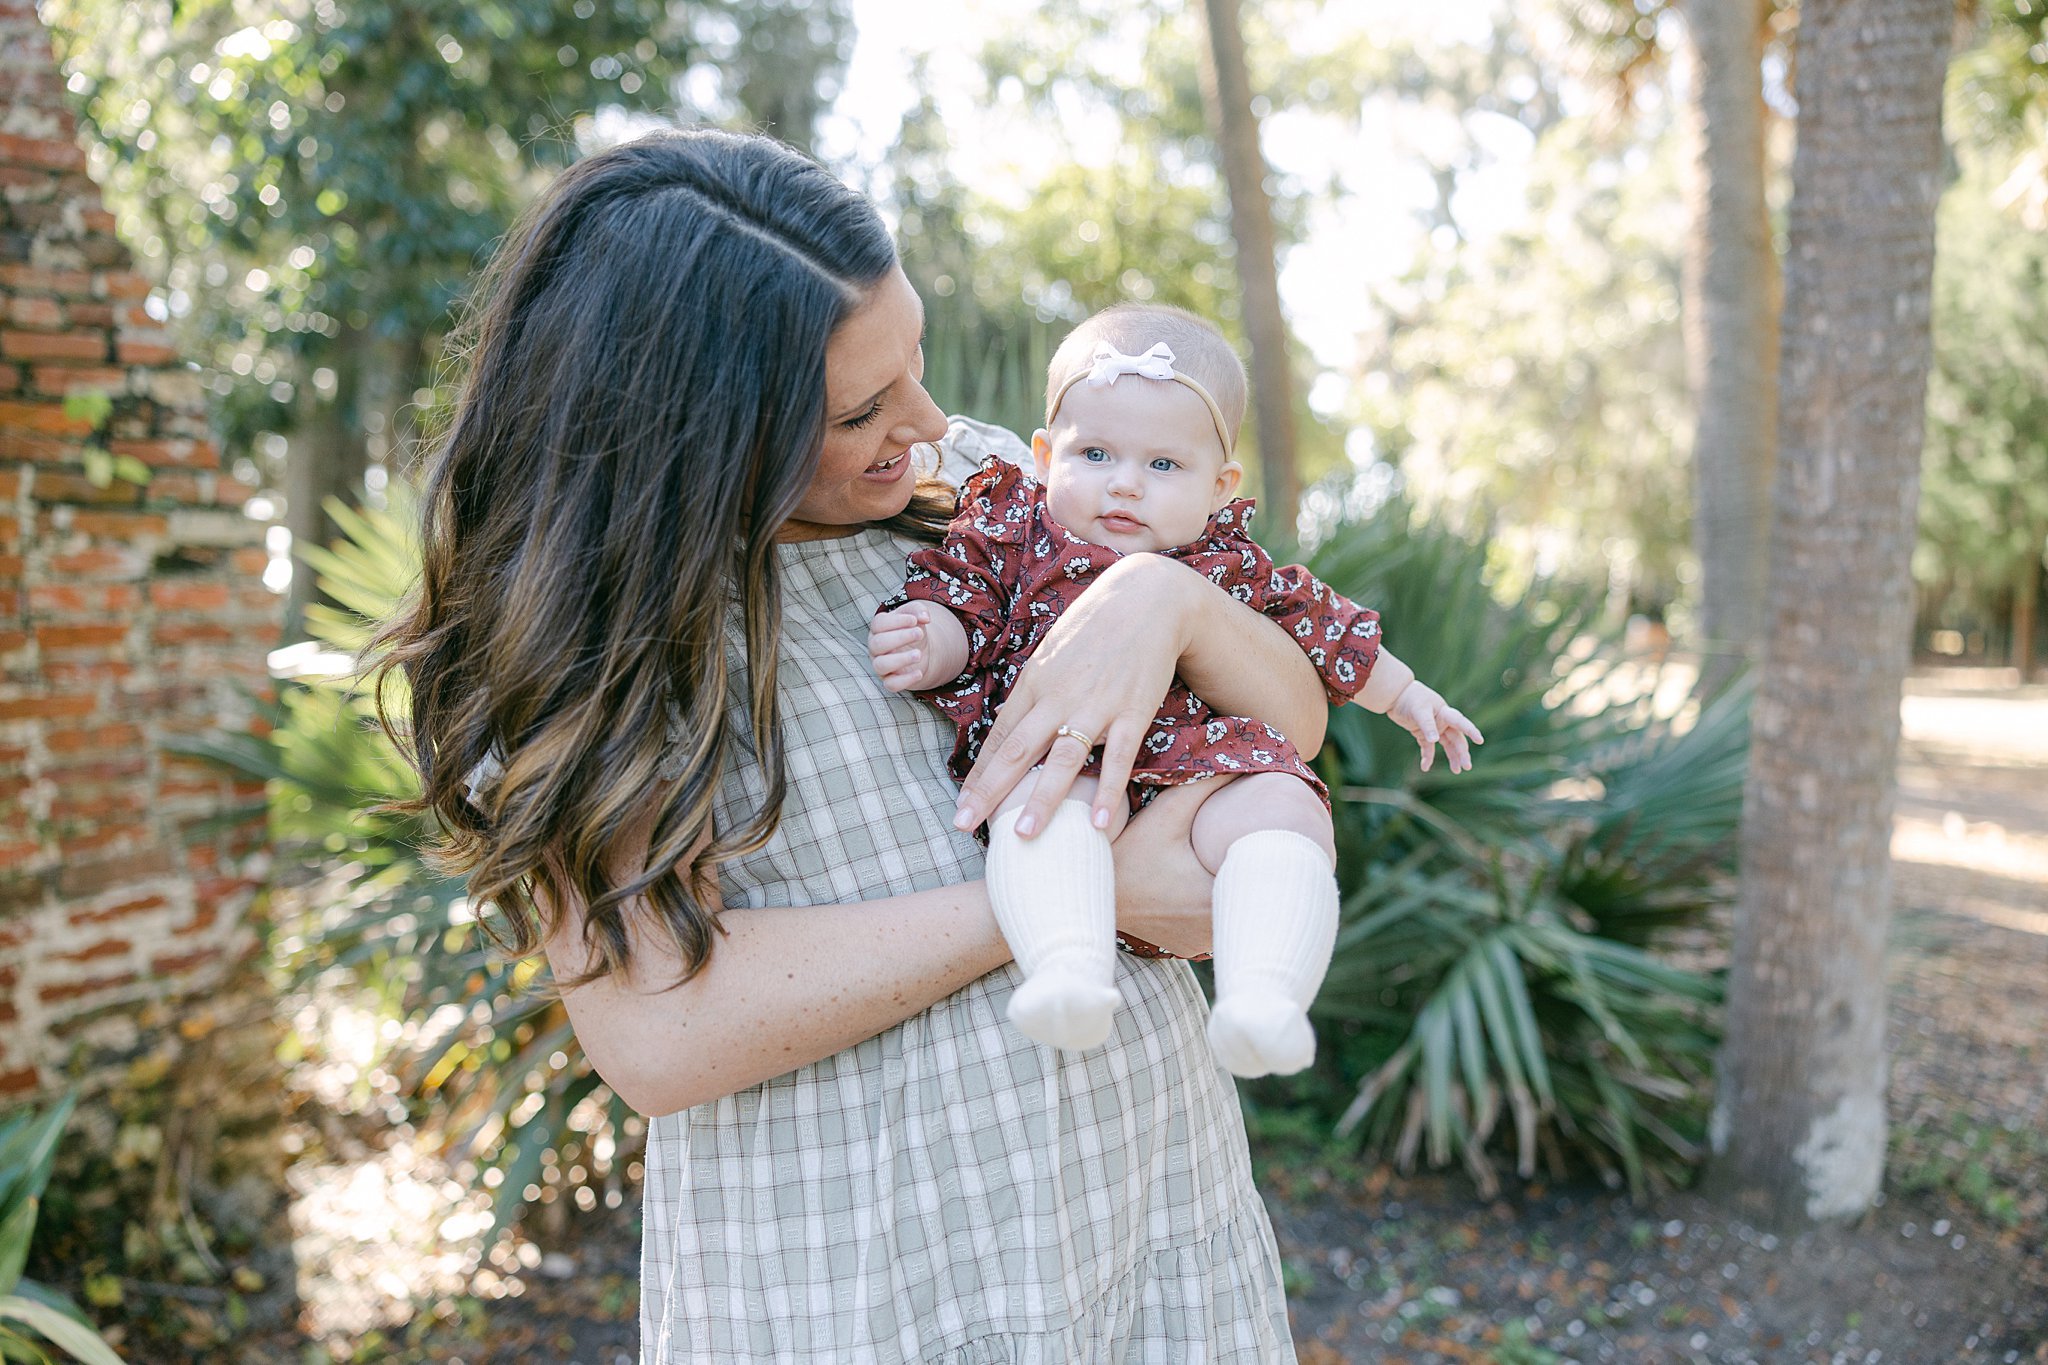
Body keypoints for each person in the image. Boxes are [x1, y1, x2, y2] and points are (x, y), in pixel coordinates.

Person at [375, 128, 1336, 1361]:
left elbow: (1290, 728)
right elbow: (660, 1033)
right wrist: (1050, 904)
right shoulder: (595, 638)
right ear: (701, 433)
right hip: (862, 1266)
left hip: (1137, 1197)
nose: (928, 422)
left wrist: (1171, 604)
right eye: (858, 410)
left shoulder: (1002, 491)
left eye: (915, 363)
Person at [867, 304, 1482, 1077]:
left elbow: (1323, 626)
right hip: (1072, 762)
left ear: (1219, 485)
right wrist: (931, 636)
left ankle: (1265, 995)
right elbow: (968, 600)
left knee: (1287, 805)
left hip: (1201, 780)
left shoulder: (1225, 562)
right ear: (1044, 452)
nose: (1124, 484)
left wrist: (1407, 695)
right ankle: (1066, 968)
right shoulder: (1013, 529)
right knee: (1040, 810)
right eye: (1094, 453)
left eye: (1163, 466)